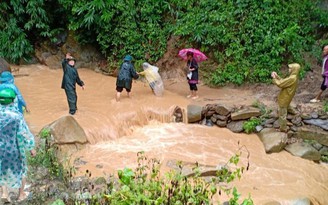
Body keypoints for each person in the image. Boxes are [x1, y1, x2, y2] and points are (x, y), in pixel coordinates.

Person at [0, 88, 36, 202]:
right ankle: (21, 194)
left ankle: (5, 193)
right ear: (12, 100)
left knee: (1, 169)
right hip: (15, 149)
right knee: (22, 169)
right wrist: (31, 148)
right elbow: (24, 133)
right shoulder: (17, 116)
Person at [271, 63, 300, 132]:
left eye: (290, 68)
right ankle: (295, 113)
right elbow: (284, 82)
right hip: (288, 96)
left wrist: (274, 78)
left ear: (294, 70)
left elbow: (280, 84)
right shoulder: (294, 76)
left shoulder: (292, 78)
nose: (289, 69)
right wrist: (277, 76)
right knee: (287, 105)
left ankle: (283, 128)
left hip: (285, 96)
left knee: (282, 113)